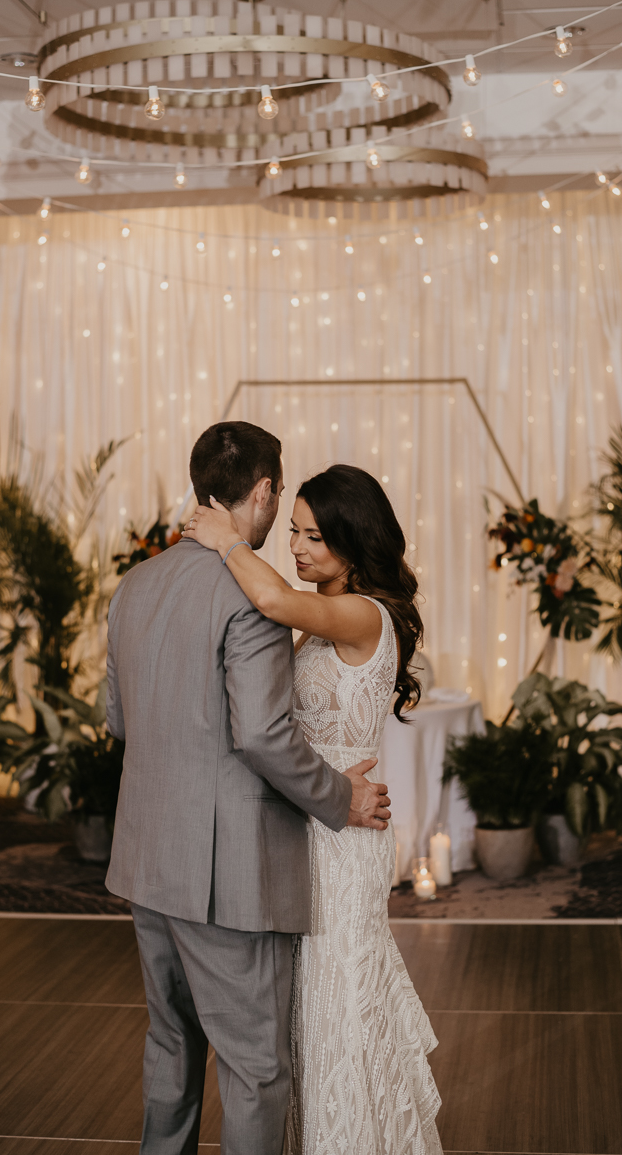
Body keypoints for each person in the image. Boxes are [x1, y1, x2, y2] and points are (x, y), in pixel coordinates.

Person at [105, 421, 391, 1155]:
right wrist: (340, 796)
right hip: (226, 874)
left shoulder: (133, 587)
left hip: (145, 855)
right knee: (257, 1067)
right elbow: (264, 737)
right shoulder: (250, 595)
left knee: (169, 1041)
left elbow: (116, 719)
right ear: (263, 492)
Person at [189, 462, 443, 1155]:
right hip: (318, 823)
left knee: (338, 1010)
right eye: (294, 531)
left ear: (355, 542)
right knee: (314, 1012)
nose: (297, 548)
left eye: (314, 537)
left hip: (341, 837)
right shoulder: (328, 611)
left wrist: (225, 539)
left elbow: (271, 601)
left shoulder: (363, 613)